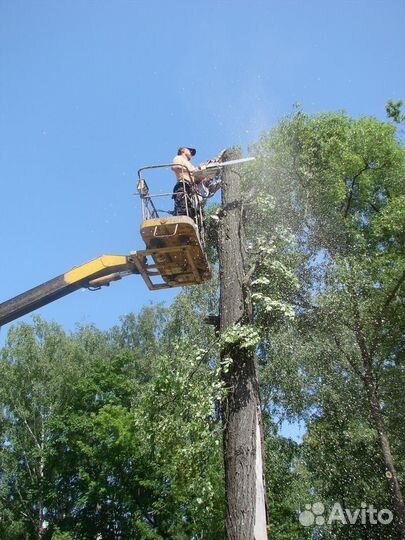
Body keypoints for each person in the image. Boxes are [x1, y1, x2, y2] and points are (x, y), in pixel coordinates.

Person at [171, 146, 199, 217]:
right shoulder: (178, 158)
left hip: (189, 188)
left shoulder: (190, 164)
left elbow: (195, 175)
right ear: (183, 150)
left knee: (189, 209)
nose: (191, 153)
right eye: (189, 150)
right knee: (182, 208)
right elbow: (175, 167)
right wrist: (192, 170)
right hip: (182, 185)